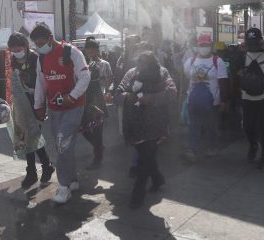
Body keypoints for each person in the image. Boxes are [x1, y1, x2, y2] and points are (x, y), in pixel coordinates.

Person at [30, 23, 90, 204]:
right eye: (36, 44)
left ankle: (63, 187)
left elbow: (85, 77)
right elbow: (41, 83)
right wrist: (38, 105)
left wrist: (72, 97)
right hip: (54, 109)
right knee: (63, 146)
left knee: (62, 142)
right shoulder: (42, 57)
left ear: (50, 38)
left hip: (73, 107)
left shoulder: (71, 52)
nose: (39, 47)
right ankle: (72, 180)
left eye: (41, 43)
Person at [119, 51, 176, 207]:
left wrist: (150, 99)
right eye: (139, 62)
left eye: (145, 63)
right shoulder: (132, 73)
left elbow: (172, 92)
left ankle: (137, 196)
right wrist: (126, 96)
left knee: (144, 160)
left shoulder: (162, 73)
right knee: (147, 157)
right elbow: (119, 91)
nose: (141, 66)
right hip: (134, 124)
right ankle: (158, 179)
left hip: (154, 124)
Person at [7, 33, 54, 188]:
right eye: (12, 48)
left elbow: (43, 80)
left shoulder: (36, 59)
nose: (15, 51)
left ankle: (36, 170)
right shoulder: (12, 60)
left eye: (18, 47)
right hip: (20, 103)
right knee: (27, 137)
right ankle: (40, 168)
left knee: (32, 136)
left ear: (26, 46)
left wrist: (42, 103)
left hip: (36, 102)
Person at [234, 27, 264, 169]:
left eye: (255, 41)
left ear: (261, 40)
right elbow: (234, 69)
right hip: (247, 97)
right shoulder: (243, 54)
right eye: (250, 42)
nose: (252, 45)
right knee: (247, 126)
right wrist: (239, 52)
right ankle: (253, 144)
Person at [183, 33, 224, 162]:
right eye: (201, 45)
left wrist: (223, 100)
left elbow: (224, 82)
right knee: (194, 125)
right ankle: (191, 149)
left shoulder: (218, 61)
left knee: (211, 126)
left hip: (212, 101)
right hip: (193, 101)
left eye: (206, 45)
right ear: (197, 46)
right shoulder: (191, 61)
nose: (204, 47)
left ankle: (212, 146)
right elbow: (187, 77)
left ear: (210, 45)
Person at [81, 37, 112, 168]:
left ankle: (97, 158)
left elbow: (109, 80)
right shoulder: (81, 63)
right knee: (84, 129)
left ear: (97, 50)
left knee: (97, 129)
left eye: (93, 49)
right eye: (88, 49)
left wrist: (108, 91)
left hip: (98, 98)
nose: (91, 52)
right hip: (85, 98)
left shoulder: (104, 64)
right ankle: (99, 147)